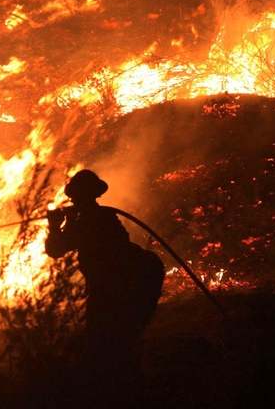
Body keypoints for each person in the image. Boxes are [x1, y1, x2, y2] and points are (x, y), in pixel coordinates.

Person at [46, 169, 164, 407]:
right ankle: (130, 389)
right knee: (124, 338)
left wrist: (54, 225)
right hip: (125, 282)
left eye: (76, 196)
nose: (73, 200)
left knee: (104, 342)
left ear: (83, 195)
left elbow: (56, 250)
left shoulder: (87, 220)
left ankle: (113, 393)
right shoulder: (101, 216)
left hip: (112, 288)